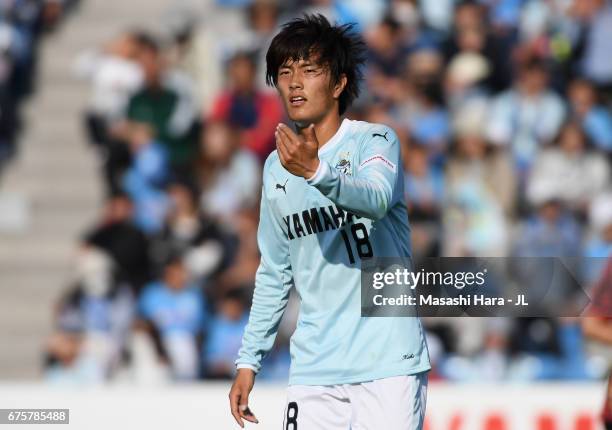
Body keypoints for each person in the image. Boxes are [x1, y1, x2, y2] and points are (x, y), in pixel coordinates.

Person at [229, 14, 430, 429]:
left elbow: (374, 199)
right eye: (285, 72)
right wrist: (249, 359)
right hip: (315, 368)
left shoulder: (376, 140)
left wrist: (317, 173)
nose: (295, 82)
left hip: (387, 362)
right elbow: (274, 269)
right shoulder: (276, 168)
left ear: (338, 84)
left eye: (309, 70)